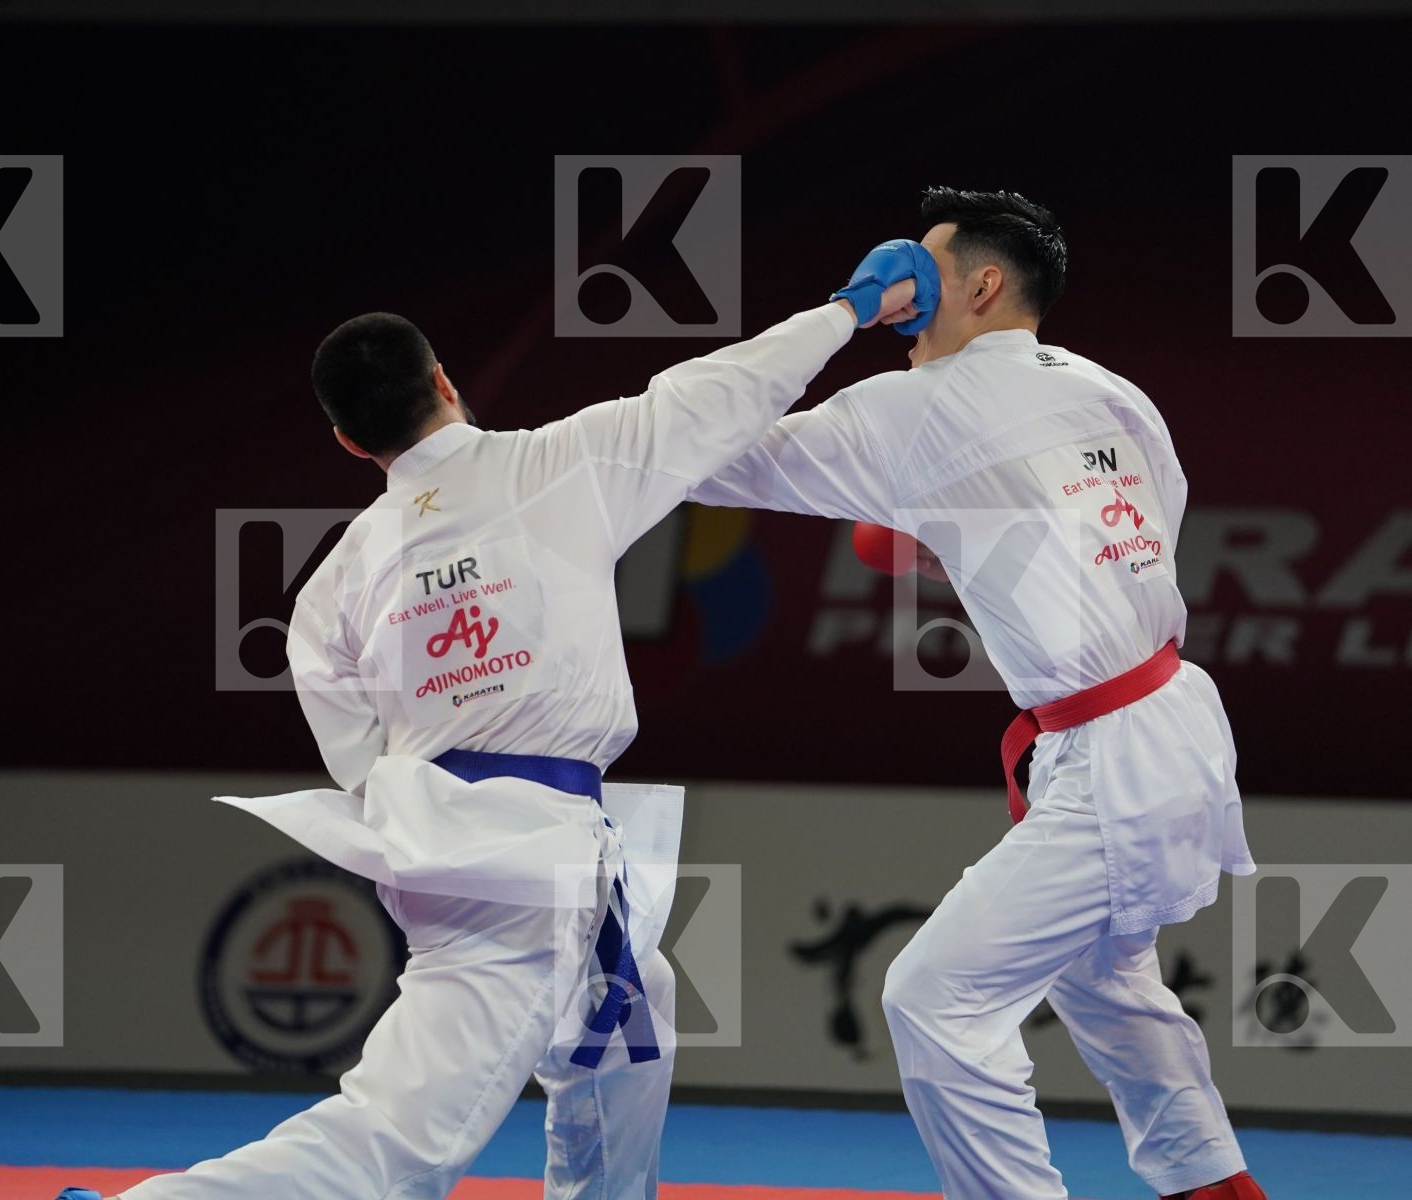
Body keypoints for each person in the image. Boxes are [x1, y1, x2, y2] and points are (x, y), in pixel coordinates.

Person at [56, 246, 928, 1200]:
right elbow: (721, 391)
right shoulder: (563, 463)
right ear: (445, 382)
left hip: (467, 847)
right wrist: (851, 310)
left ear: (351, 443)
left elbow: (360, 760)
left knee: (627, 1039)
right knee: (404, 1146)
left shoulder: (332, 586)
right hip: (521, 866)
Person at [690, 187, 1267, 1200]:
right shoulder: (1115, 390)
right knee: (1111, 990)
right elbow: (1141, 532)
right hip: (1166, 719)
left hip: (1113, 752)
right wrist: (968, 529)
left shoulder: (922, 406)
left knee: (933, 1000)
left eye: (919, 274)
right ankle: (1218, 1190)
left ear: (983, 285)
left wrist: (842, 311)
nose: (905, 300)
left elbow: (706, 452)